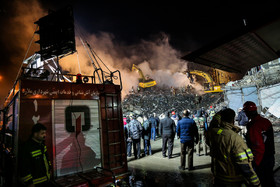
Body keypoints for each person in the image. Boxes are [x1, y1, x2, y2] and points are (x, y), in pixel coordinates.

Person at [207, 108, 260, 187]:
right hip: (233, 181)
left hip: (218, 178)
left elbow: (212, 125)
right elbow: (244, 165)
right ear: (233, 119)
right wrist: (256, 183)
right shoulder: (235, 138)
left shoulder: (214, 133)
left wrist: (218, 115)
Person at [243, 101, 275, 187]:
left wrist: (255, 164)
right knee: (270, 180)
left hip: (261, 160)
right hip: (270, 157)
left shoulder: (254, 126)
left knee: (263, 182)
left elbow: (258, 147)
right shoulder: (266, 121)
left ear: (247, 112)